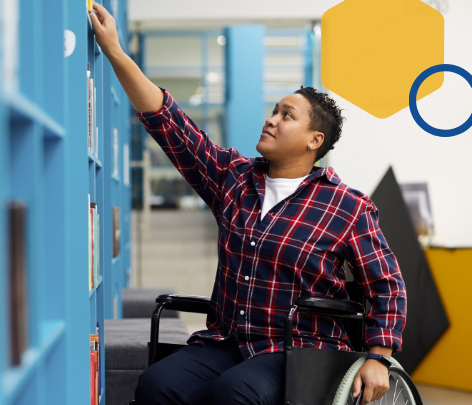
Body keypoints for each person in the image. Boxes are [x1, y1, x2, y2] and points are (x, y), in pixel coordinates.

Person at [88, 3, 407, 405]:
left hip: (299, 351)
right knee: (156, 384)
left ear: (314, 141)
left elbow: (388, 285)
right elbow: (169, 122)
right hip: (229, 341)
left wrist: (380, 357)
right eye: (274, 111)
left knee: (234, 393)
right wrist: (115, 50)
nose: (271, 119)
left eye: (286, 115)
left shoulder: (348, 206)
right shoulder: (234, 178)